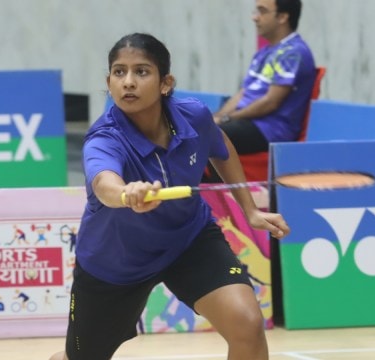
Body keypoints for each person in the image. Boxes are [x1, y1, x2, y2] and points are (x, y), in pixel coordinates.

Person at [49, 33, 290, 360]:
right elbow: (104, 183)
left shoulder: (193, 116)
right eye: (119, 73)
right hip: (117, 262)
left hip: (187, 240)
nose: (129, 82)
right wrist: (126, 193)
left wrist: (248, 209)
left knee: (247, 324)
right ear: (109, 81)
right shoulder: (105, 138)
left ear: (166, 83)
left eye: (142, 72)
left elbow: (220, 147)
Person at [213, 0, 315, 156]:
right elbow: (243, 93)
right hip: (246, 122)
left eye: (262, 11)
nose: (254, 17)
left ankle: (216, 181)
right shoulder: (265, 52)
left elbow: (270, 102)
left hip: (270, 129)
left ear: (282, 17)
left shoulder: (294, 53)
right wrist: (217, 117)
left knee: (210, 136)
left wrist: (227, 119)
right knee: (193, 128)